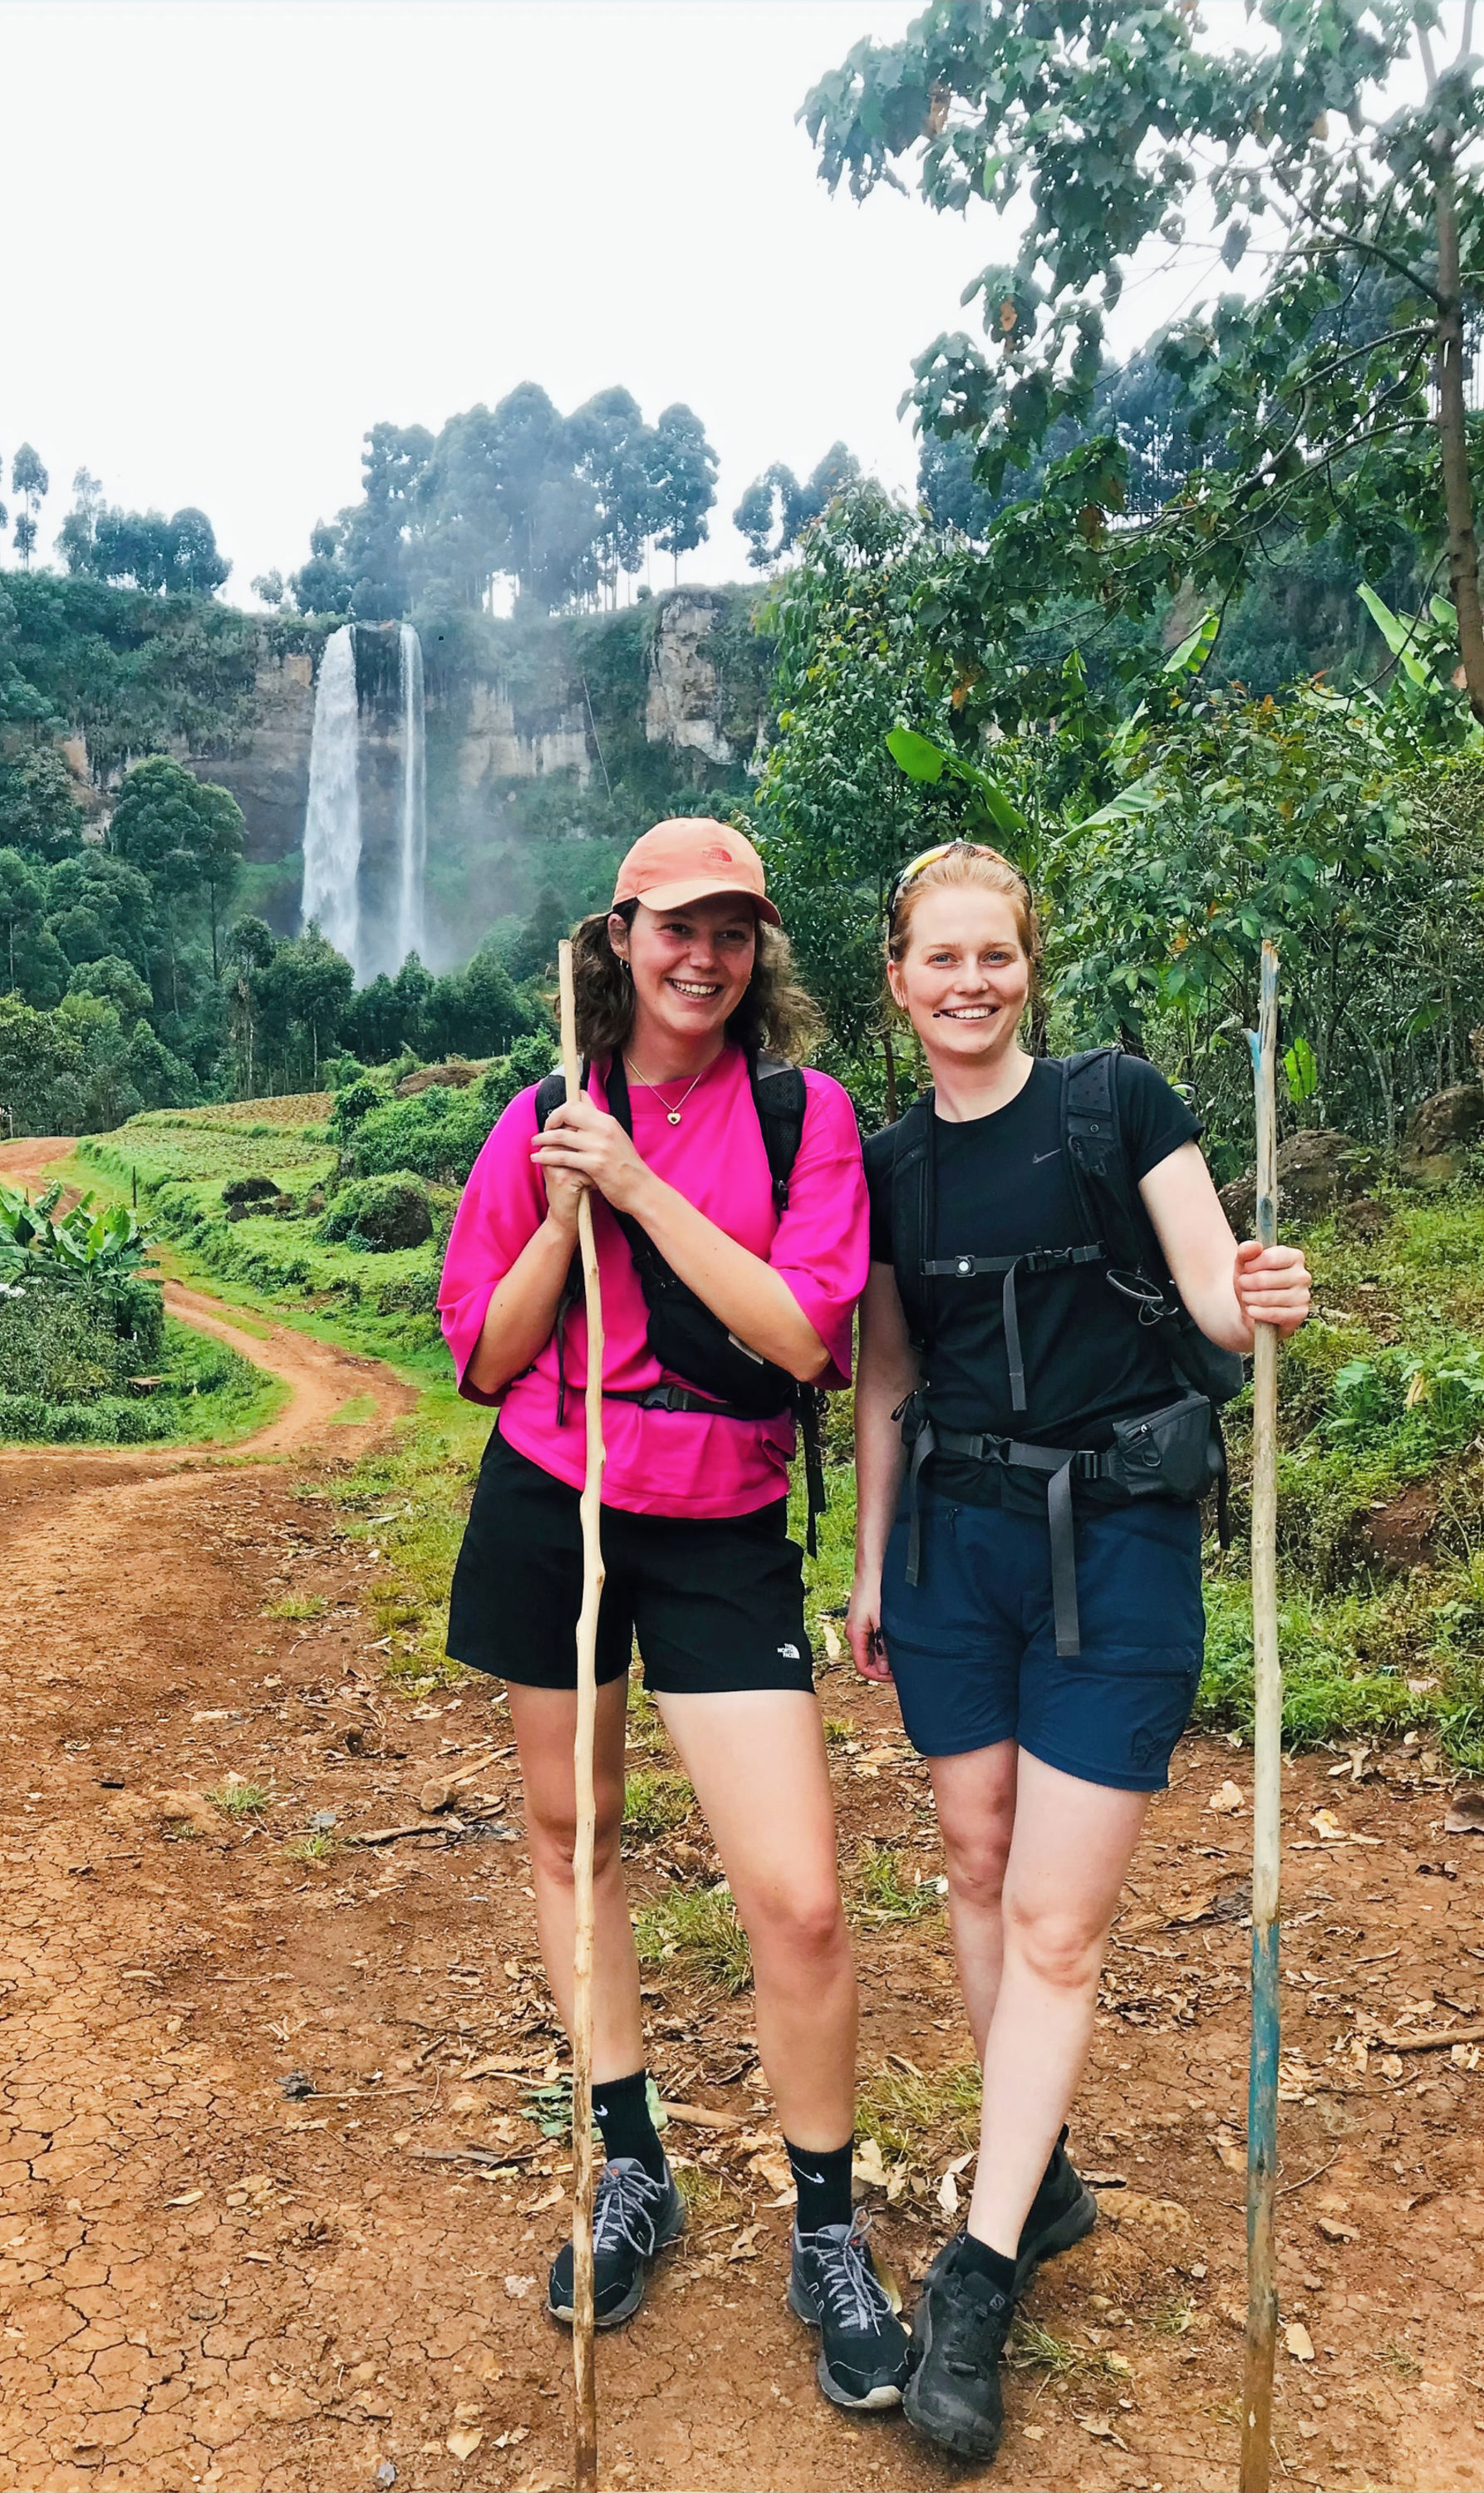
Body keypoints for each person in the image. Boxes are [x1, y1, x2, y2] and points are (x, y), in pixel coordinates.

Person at [846, 841, 1312, 2463]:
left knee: (1051, 1921)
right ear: (897, 981)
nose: (970, 983)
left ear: (1025, 966)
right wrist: (866, 1571)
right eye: (940, 960)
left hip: (1117, 1546)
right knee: (973, 1863)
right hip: (952, 1552)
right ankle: (1040, 2180)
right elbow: (890, 1376)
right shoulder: (889, 1167)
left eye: (997, 956)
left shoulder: (1124, 1104)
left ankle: (978, 2268)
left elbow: (1220, 1302)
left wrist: (1267, 1292)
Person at [438, 819, 910, 2414]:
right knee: (574, 1841)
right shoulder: (539, 1119)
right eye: (672, 929)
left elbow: (798, 1333)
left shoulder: (804, 1117)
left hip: (718, 1520)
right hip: (550, 1495)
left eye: (729, 932)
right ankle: (630, 2162)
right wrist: (568, 1214)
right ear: (618, 936)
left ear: (754, 951)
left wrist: (638, 1187)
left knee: (798, 1896)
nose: (699, 957)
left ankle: (828, 2226)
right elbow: (489, 1356)